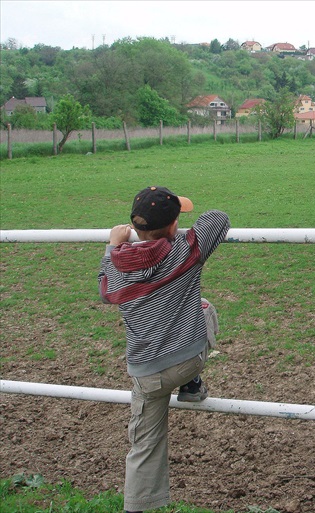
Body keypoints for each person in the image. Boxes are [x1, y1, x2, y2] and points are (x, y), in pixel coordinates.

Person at [98, 186, 230, 513]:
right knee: (203, 308)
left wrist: (115, 245)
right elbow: (218, 219)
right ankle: (192, 384)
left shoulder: (116, 264)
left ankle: (135, 508)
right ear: (173, 227)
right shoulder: (185, 249)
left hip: (146, 375)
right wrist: (176, 234)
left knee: (143, 445)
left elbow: (103, 290)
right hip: (188, 359)